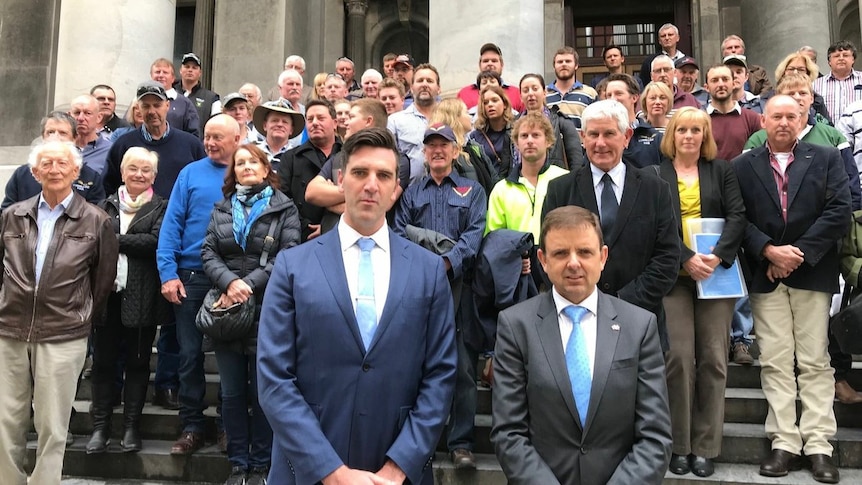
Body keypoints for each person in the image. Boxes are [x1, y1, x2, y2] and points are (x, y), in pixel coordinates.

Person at [257, 127, 457, 485]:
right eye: (360, 172)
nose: (371, 185)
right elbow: (274, 379)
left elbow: (440, 376)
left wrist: (397, 469)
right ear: (340, 179)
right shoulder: (292, 267)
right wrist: (331, 473)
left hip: (397, 473)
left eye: (383, 175)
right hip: (307, 470)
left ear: (397, 188)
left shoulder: (428, 270)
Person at [491, 205, 672, 484]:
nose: (573, 263)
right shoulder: (516, 327)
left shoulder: (640, 327)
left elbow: (655, 437)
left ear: (603, 257)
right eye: (561, 253)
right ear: (543, 260)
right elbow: (509, 434)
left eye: (585, 252)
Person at [733, 95, 850, 483]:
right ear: (763, 119)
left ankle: (819, 446)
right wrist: (768, 251)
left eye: (792, 115)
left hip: (811, 271)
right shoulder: (741, 166)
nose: (784, 121)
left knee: (816, 361)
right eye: (776, 115)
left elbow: (839, 211)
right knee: (777, 361)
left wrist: (795, 254)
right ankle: (784, 442)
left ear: (803, 119)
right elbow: (738, 218)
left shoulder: (826, 158)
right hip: (766, 275)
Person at [0, 140, 118, 485]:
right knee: (6, 419)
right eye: (46, 164)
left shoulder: (96, 220)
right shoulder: (12, 215)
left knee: (53, 424)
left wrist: (78, 317)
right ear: (34, 172)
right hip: (9, 329)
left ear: (76, 171)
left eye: (62, 163)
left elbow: (102, 281)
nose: (54, 170)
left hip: (64, 332)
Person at [543, 99, 680, 351]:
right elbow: (551, 254)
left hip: (640, 321)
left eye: (609, 133)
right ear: (582, 137)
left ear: (627, 136)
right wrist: (586, 303)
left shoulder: (655, 190)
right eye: (593, 134)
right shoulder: (560, 189)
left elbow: (667, 257)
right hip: (576, 322)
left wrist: (620, 304)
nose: (600, 143)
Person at [201, 144, 300, 485]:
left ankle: (260, 465)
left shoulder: (283, 208)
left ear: (264, 167)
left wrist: (248, 283)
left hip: (267, 309)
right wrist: (230, 283)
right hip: (228, 309)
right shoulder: (222, 208)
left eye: (251, 162)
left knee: (262, 394)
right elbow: (208, 251)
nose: (245, 167)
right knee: (230, 393)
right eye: (239, 163)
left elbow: (289, 253)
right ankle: (238, 464)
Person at [657, 107, 746, 477]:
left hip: (715, 276)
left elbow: (738, 216)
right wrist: (686, 257)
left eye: (696, 130)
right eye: (682, 130)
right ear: (672, 135)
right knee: (678, 358)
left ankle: (706, 446)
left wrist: (717, 256)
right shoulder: (655, 174)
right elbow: (655, 224)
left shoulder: (721, 170)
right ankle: (679, 444)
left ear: (705, 135)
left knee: (713, 358)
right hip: (674, 277)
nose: (689, 136)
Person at [393, 123, 486, 470]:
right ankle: (423, 441)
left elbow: (475, 234)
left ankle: (461, 443)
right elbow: (399, 232)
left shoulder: (472, 190)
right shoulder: (411, 192)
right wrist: (426, 266)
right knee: (419, 365)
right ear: (424, 151)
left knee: (462, 367)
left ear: (454, 150)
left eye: (443, 145)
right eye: (430, 145)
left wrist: (446, 263)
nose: (437, 150)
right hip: (418, 288)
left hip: (459, 286)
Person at [157, 114, 242, 456]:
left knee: (228, 358)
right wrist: (167, 273)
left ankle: (226, 423)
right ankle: (192, 424)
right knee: (190, 356)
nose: (209, 143)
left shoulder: (248, 170)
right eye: (207, 136)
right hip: (190, 276)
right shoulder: (189, 173)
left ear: (238, 138)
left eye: (218, 137)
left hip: (232, 279)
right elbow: (171, 224)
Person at [86, 147, 170, 454]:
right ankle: (100, 428)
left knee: (137, 364)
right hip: (107, 297)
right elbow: (92, 242)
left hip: (143, 296)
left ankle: (131, 427)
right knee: (103, 364)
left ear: (154, 176)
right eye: (133, 168)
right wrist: (119, 241)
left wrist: (115, 240)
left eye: (145, 170)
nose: (138, 174)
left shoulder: (162, 206)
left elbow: (155, 242)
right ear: (122, 172)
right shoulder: (103, 205)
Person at [3, 111, 105, 210]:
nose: (56, 137)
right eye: (50, 132)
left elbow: (95, 220)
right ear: (43, 137)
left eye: (63, 133)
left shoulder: (91, 177)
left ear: (75, 139)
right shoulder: (22, 174)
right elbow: (6, 215)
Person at [279, 99, 342, 242]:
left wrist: (328, 226)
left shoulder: (349, 155)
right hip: (300, 235)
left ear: (335, 123)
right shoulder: (291, 158)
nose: (314, 123)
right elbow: (282, 199)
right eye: (310, 119)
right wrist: (305, 226)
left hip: (341, 233)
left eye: (320, 118)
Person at [429, 98, 497, 196]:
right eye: (466, 112)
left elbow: (494, 179)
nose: (470, 117)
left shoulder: (474, 147)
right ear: (455, 118)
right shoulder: (446, 155)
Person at [388, 63, 442, 182]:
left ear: (439, 89)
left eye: (429, 81)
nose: (424, 84)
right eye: (420, 80)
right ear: (412, 88)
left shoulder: (450, 119)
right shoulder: (395, 121)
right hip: (409, 194)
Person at [519, 73, 584, 169]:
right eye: (525, 90)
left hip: (556, 182)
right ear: (520, 96)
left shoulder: (562, 122)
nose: (530, 93)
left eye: (535, 89)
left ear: (544, 92)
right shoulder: (513, 125)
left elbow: (576, 162)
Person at [602, 73, 665, 167]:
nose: (612, 99)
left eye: (618, 93)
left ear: (635, 98)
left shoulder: (656, 138)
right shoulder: (599, 138)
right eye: (609, 95)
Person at [456, 42, 524, 113]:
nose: (490, 63)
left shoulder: (516, 93)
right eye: (485, 61)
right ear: (480, 65)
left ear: (502, 65)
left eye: (494, 61)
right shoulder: (464, 93)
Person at [469, 85, 516, 178]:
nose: (490, 105)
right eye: (485, 102)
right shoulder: (476, 136)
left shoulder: (516, 131)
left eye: (495, 100)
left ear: (505, 104)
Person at [545, 46, 597, 130]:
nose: (564, 64)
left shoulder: (590, 94)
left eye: (568, 61)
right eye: (560, 62)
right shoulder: (543, 94)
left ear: (576, 65)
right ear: (554, 66)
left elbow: (597, 124)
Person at [150, 57, 201, 138]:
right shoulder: (141, 101)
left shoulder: (185, 104)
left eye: (165, 72)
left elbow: (194, 135)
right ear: (151, 76)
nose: (161, 75)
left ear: (173, 78)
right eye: (157, 72)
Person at [814, 40, 862, 122]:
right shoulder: (816, 85)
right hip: (828, 133)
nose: (841, 58)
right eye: (836, 56)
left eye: (845, 55)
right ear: (829, 61)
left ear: (853, 59)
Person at [70, 94, 114, 177]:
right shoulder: (60, 148)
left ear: (99, 117)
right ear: (69, 115)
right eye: (77, 113)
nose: (81, 118)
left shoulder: (110, 151)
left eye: (87, 113)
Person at [252, 103, 305, 169]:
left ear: (291, 129)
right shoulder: (252, 152)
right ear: (265, 125)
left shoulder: (298, 157)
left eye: (285, 122)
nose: (280, 124)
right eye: (275, 120)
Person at [176, 52, 221, 125]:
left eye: (194, 68)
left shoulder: (212, 98)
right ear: (180, 70)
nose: (190, 70)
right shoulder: (170, 93)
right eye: (187, 67)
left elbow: (217, 125)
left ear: (200, 73)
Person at [639, 23, 686, 88]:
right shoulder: (650, 61)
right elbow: (644, 86)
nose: (667, 38)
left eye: (670, 35)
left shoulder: (686, 61)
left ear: (677, 38)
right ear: (659, 41)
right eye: (663, 36)